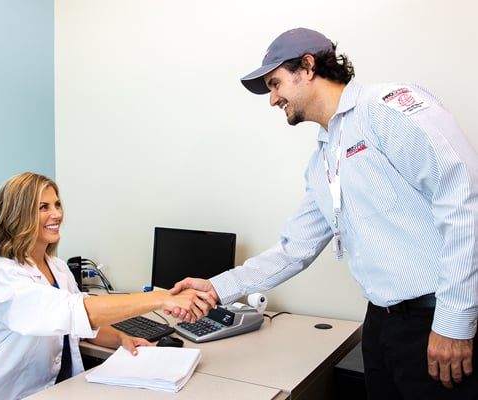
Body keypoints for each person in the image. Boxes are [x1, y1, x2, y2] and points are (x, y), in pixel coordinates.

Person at [168, 27, 478, 399]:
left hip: (435, 318)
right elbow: (293, 249)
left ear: (308, 66)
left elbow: (464, 202)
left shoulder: (385, 109)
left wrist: (454, 322)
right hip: (381, 323)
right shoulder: (323, 161)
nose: (273, 99)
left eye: (275, 84)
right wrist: (218, 287)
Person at [0, 172, 212, 399]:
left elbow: (79, 326)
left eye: (57, 204)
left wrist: (122, 339)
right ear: (18, 215)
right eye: (43, 207)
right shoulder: (4, 275)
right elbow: (75, 311)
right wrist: (162, 298)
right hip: (4, 393)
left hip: (54, 389)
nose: (57, 214)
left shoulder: (57, 267)